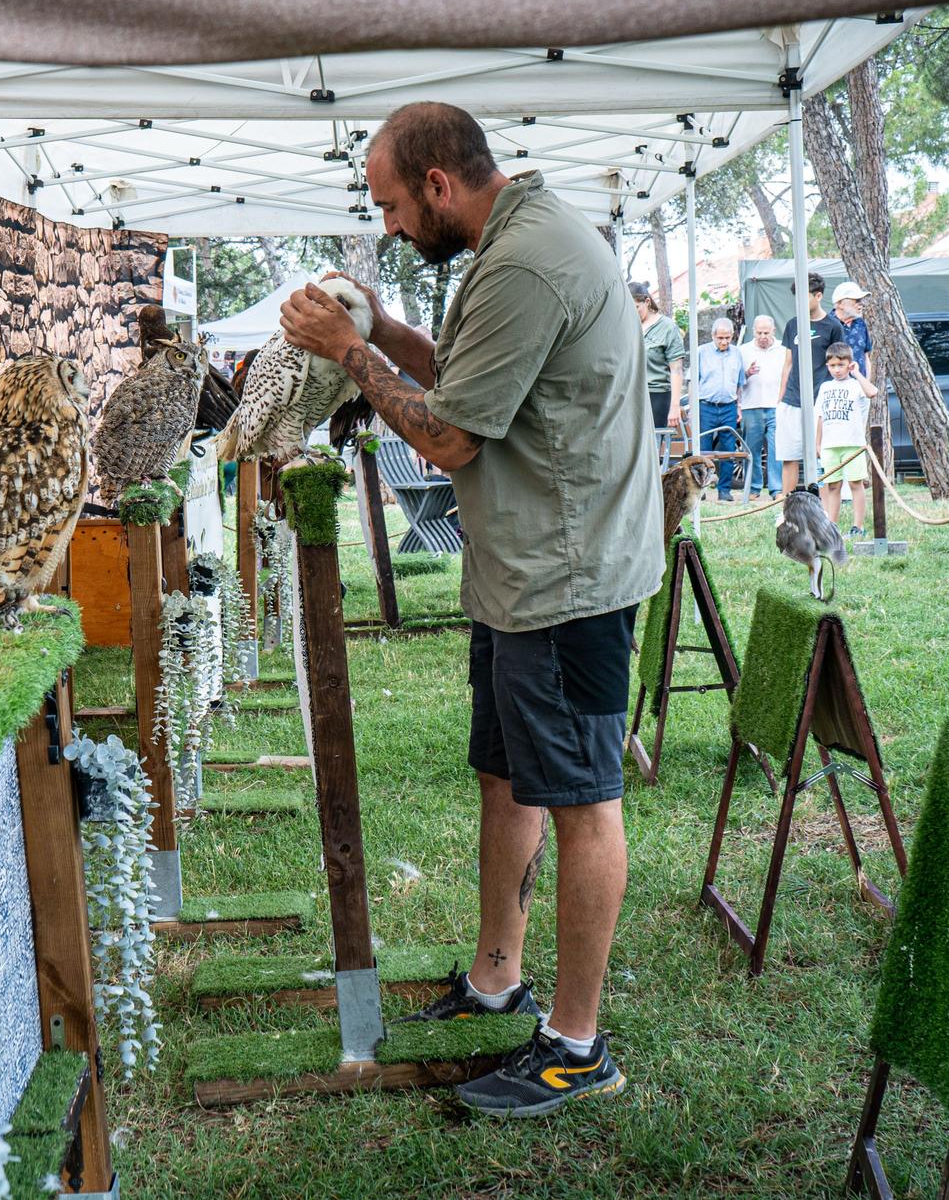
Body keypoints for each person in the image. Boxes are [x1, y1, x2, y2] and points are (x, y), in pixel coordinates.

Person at [278, 100, 660, 1119]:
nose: (392, 226)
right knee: (506, 777)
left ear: (439, 185)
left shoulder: (529, 261)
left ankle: (576, 1044)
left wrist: (345, 352)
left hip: (566, 581)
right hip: (520, 571)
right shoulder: (507, 249)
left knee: (581, 802)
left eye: (394, 206)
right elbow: (478, 382)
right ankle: (499, 976)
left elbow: (448, 440)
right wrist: (386, 326)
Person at [775, 272, 843, 494]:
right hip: (792, 400)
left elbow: (839, 363)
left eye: (803, 298)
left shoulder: (833, 326)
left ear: (818, 296)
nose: (798, 304)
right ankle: (786, 508)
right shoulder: (793, 325)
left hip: (819, 401)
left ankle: (821, 511)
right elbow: (787, 364)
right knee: (789, 456)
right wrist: (780, 399)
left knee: (820, 457)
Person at [815, 342, 879, 534]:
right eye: (833, 366)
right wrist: (817, 443)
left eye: (841, 365)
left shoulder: (855, 385)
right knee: (832, 485)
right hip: (830, 444)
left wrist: (857, 373)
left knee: (855, 484)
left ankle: (858, 526)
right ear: (827, 366)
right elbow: (820, 416)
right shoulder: (825, 387)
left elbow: (872, 392)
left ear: (849, 364)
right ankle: (831, 526)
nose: (837, 370)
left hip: (853, 444)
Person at [693, 316, 748, 500]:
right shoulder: (701, 352)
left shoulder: (737, 353)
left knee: (728, 449)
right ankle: (701, 489)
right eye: (720, 338)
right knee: (703, 450)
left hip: (729, 408)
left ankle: (724, 490)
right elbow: (693, 382)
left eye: (727, 338)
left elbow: (740, 383)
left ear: (732, 336)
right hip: (706, 406)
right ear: (713, 336)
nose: (724, 341)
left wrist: (739, 407)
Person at [738, 314, 784, 498]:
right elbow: (736, 381)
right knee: (752, 450)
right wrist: (747, 373)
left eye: (766, 332)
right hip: (751, 405)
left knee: (776, 449)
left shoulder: (783, 349)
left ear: (773, 331)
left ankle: (776, 488)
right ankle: (754, 488)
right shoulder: (743, 350)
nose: (763, 336)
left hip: (776, 405)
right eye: (759, 333)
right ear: (753, 332)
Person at [636, 282, 686, 431]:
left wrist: (675, 406)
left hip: (657, 395)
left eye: (636, 308)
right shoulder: (630, 325)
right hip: (633, 394)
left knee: (653, 445)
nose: (633, 312)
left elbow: (676, 370)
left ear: (647, 302)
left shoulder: (667, 327)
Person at [830, 280, 872, 375]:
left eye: (861, 300)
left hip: (859, 386)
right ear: (840, 303)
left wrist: (866, 384)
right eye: (856, 300)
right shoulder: (827, 324)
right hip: (836, 387)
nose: (861, 304)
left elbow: (865, 357)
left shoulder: (860, 323)